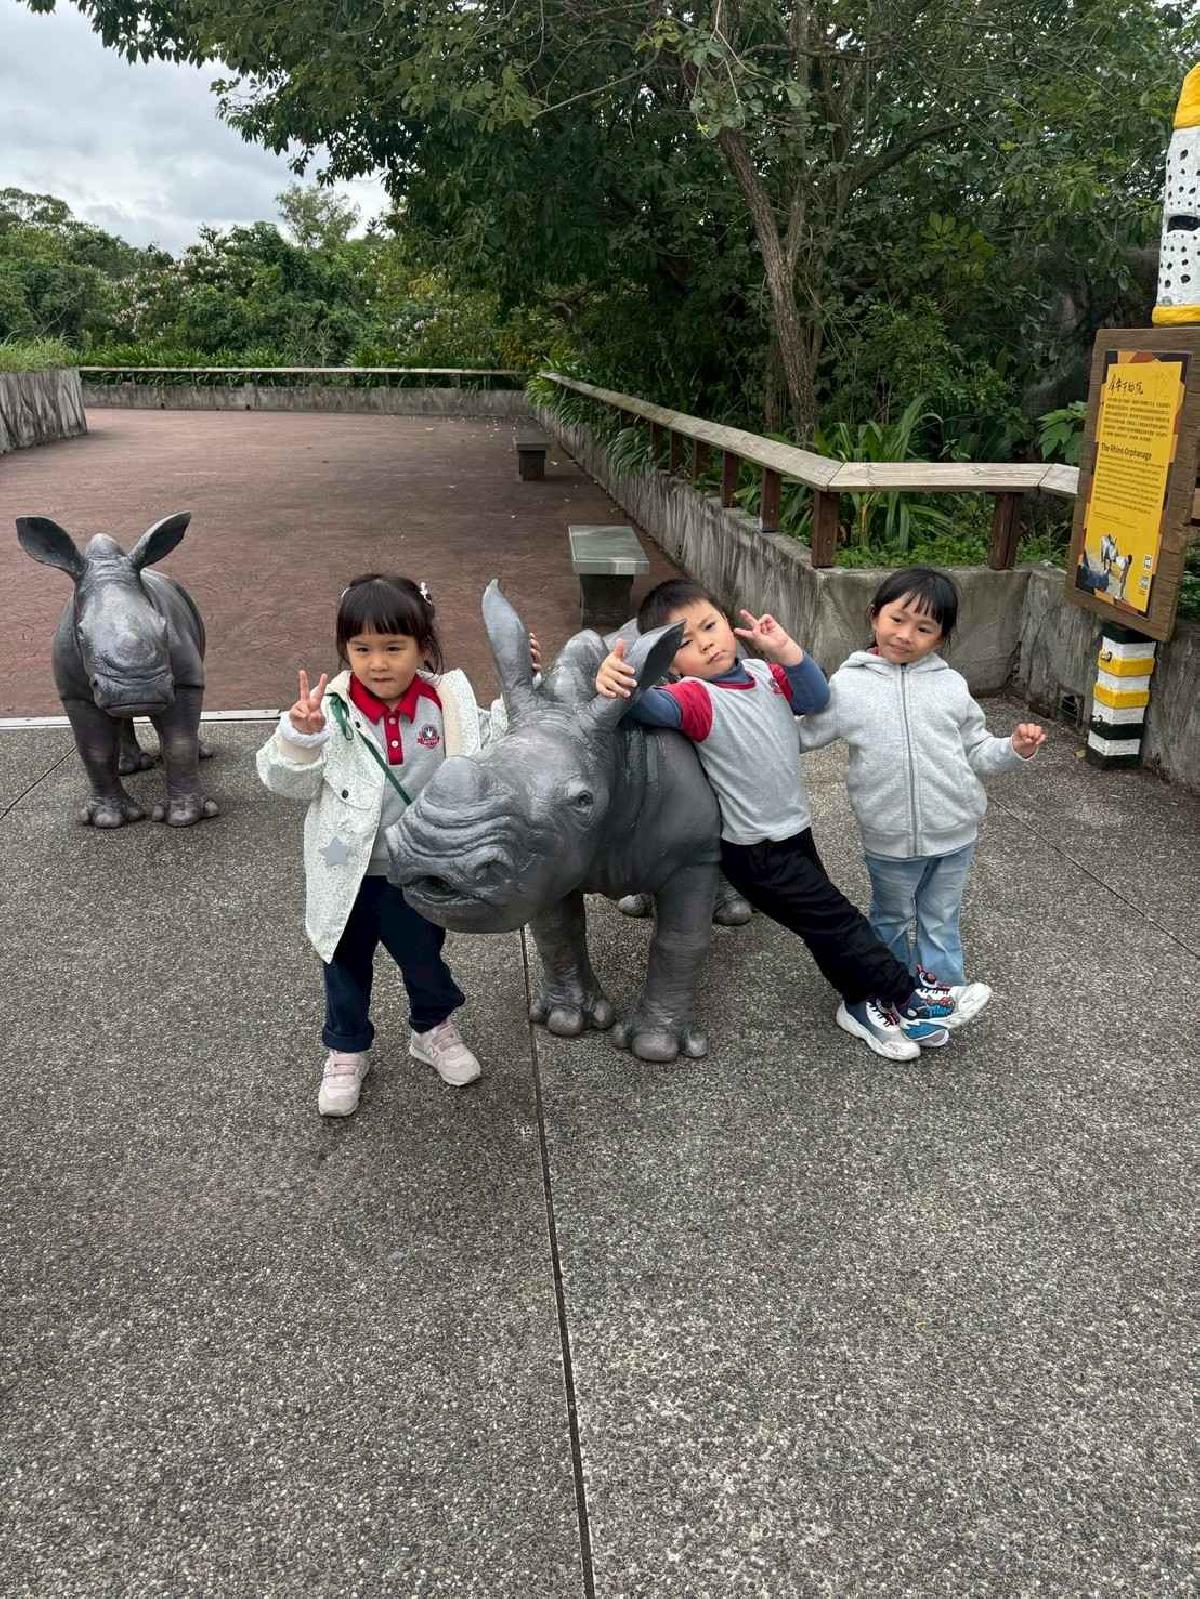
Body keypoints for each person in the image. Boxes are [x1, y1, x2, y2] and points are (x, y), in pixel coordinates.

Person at [595, 578, 987, 1062]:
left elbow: (815, 697)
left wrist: (785, 650)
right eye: (685, 643)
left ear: (727, 623)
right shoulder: (695, 697)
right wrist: (617, 680)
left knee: (824, 928)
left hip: (794, 834)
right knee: (839, 921)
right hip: (756, 852)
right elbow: (645, 707)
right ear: (671, 664)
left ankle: (861, 1005)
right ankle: (911, 999)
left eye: (710, 626)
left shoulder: (763, 673)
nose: (707, 644)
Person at [257, 574, 536, 1118]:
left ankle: (432, 1029)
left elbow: (494, 744)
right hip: (348, 868)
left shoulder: (446, 703)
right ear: (344, 650)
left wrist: (523, 680)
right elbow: (284, 783)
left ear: (423, 646)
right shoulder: (328, 711)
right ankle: (346, 1049)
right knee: (343, 961)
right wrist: (300, 737)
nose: (377, 663)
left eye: (393, 647)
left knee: (423, 956)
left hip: (417, 867)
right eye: (361, 649)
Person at [797, 566, 1044, 992]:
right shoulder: (847, 686)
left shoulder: (950, 685)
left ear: (940, 638)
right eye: (897, 619)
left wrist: (1013, 748)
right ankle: (893, 991)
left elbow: (977, 749)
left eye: (924, 628)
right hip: (889, 839)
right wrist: (748, 715)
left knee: (940, 919)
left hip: (956, 834)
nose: (905, 635)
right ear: (874, 615)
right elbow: (803, 734)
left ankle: (943, 994)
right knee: (891, 919)